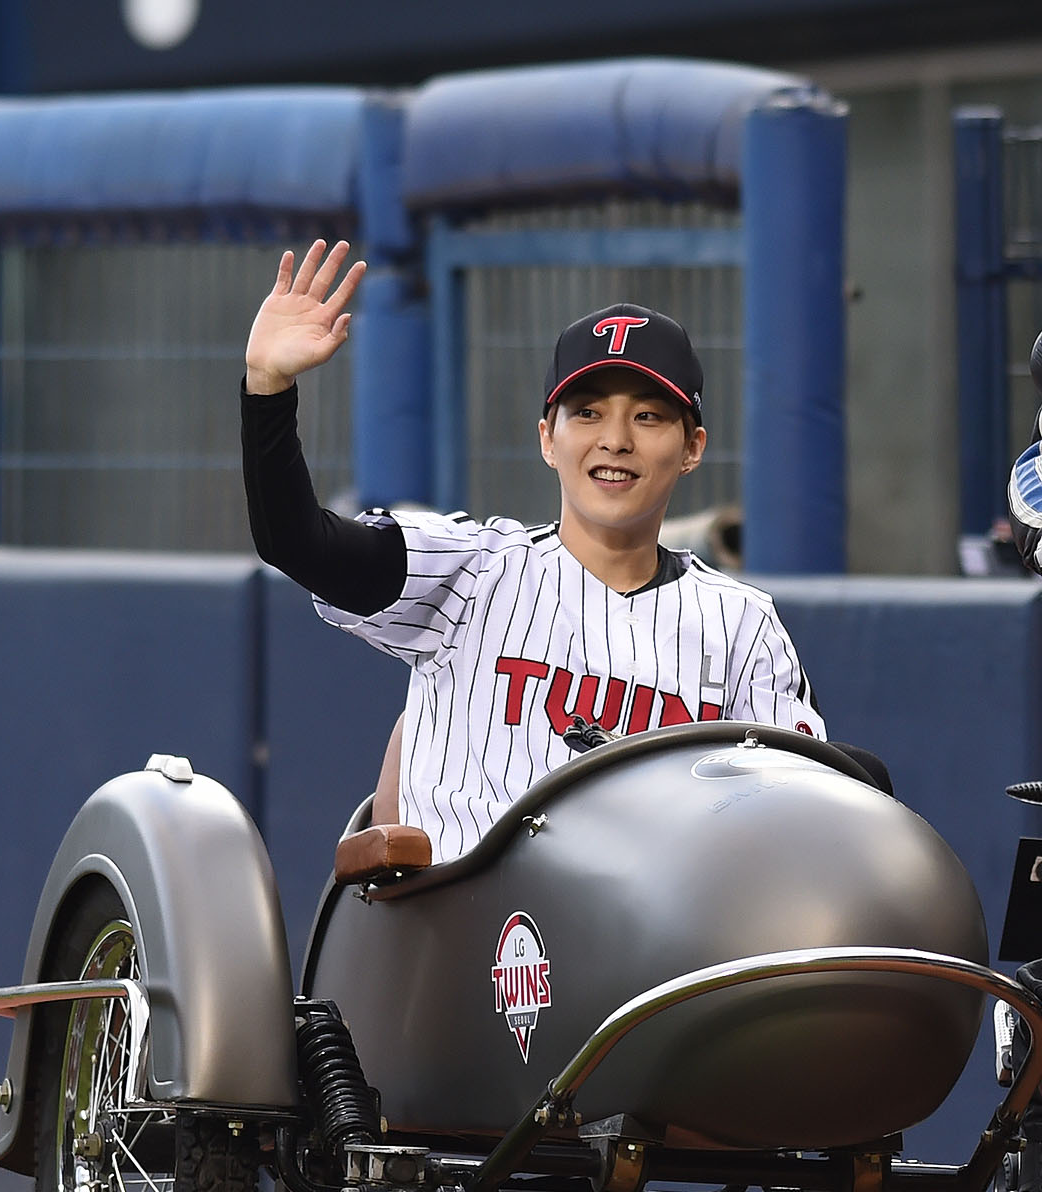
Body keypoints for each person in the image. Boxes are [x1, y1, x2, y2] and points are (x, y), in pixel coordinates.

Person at [241, 239, 826, 863]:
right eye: (589, 413)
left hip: (661, 946)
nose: (616, 440)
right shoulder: (472, 570)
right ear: (549, 439)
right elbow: (297, 541)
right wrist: (268, 387)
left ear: (692, 448)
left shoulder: (741, 623)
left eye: (650, 417)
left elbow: (800, 809)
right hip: (467, 932)